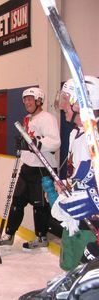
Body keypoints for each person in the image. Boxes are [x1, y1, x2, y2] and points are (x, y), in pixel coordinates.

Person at [0, 87, 61, 250]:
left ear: (39, 101)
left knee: (40, 206)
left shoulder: (47, 118)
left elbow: (55, 142)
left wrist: (35, 144)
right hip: (27, 167)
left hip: (42, 168)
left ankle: (41, 237)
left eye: (31, 99)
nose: (27, 102)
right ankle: (9, 235)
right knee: (16, 201)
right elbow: (29, 141)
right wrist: (22, 146)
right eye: (25, 100)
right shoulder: (27, 119)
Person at [50, 76, 99, 271]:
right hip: (75, 212)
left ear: (81, 103)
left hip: (91, 220)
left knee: (86, 276)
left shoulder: (95, 135)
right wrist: (66, 183)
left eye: (66, 100)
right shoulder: (75, 133)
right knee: (69, 266)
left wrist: (93, 198)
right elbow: (81, 173)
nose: (62, 106)